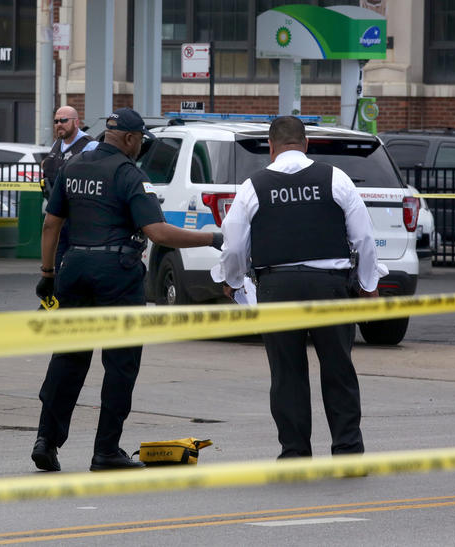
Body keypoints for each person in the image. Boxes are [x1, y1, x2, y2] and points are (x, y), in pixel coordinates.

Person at [31, 108, 222, 473]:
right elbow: (159, 233)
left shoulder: (74, 168)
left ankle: (46, 439)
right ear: (132, 140)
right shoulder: (129, 175)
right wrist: (212, 237)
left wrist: (48, 273)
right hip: (116, 276)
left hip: (73, 270)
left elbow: (50, 225)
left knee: (68, 360)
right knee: (119, 365)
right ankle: (105, 451)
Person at [215, 115, 381, 460]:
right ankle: (348, 452)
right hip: (330, 287)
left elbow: (233, 245)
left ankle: (295, 454)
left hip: (278, 287)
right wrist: (368, 285)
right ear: (306, 144)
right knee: (339, 369)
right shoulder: (336, 178)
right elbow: (364, 237)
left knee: (287, 374)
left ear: (271, 148)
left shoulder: (253, 185)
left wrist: (232, 281)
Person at [40, 105, 98, 272]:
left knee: (73, 264)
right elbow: (49, 165)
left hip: (77, 216)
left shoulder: (89, 145)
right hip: (56, 212)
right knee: (55, 260)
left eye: (64, 120)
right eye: (56, 121)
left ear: (76, 122)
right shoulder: (58, 143)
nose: (59, 124)